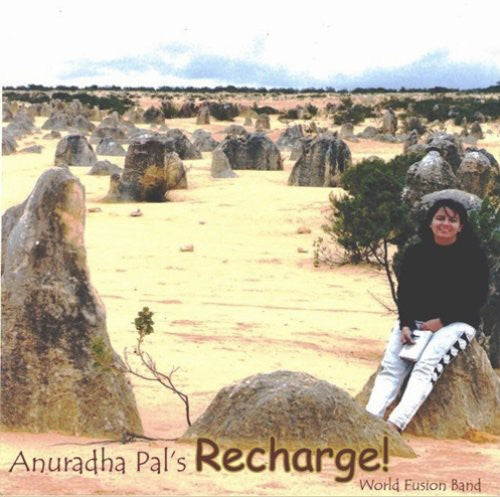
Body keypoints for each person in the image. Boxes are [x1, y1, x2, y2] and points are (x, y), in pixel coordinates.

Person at [365, 198, 490, 432]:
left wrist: (441, 322)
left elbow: (477, 298)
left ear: (461, 226)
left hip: (457, 322)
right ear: (430, 222)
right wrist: (405, 324)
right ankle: (368, 420)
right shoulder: (416, 253)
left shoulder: (473, 256)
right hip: (416, 322)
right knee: (391, 366)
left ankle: (395, 424)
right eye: (440, 218)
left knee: (426, 365)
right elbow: (405, 293)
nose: (445, 224)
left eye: (452, 220)